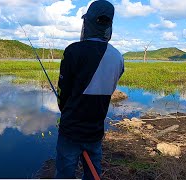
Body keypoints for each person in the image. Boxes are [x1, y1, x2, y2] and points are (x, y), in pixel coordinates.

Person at [55, 0, 124, 179]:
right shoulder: (118, 57)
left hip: (71, 131)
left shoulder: (73, 51)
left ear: (88, 22)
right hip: (95, 131)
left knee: (65, 174)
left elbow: (63, 93)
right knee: (93, 173)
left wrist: (65, 109)